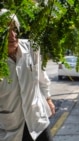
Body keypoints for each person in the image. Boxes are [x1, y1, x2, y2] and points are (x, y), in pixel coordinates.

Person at [0, 9, 55, 141]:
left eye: (14, 29)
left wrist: (48, 98)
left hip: (38, 120)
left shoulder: (32, 48)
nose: (12, 35)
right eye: (5, 31)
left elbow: (41, 77)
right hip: (11, 127)